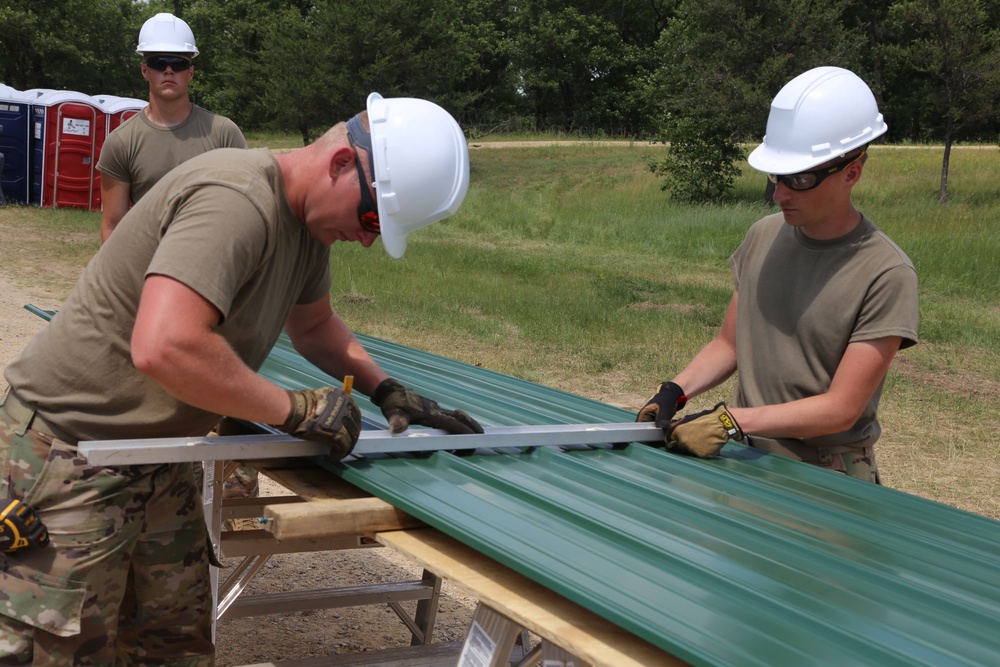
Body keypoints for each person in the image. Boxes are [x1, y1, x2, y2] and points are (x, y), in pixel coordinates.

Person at [0, 92, 481, 665]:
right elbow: (165, 345)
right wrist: (293, 409)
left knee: (171, 649)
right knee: (59, 653)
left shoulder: (308, 227)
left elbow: (316, 324)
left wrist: (383, 388)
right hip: (69, 456)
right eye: (372, 218)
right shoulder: (237, 200)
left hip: (160, 455)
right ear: (342, 164)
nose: (370, 239)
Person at [638, 66, 918, 483]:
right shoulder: (764, 235)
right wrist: (674, 391)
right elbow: (729, 344)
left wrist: (731, 421)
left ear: (852, 173)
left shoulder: (886, 272)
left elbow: (841, 408)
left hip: (829, 473)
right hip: (745, 456)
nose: (779, 194)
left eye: (799, 179)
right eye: (776, 177)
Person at [96, 12, 248, 243]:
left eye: (178, 63)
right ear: (144, 70)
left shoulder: (224, 134)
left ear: (190, 72)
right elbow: (112, 226)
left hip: (211, 270)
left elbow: (244, 213)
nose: (168, 70)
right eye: (158, 63)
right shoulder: (121, 142)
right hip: (147, 270)